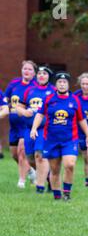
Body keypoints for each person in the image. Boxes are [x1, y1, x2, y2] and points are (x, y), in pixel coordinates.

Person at [30, 72, 88, 201]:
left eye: (64, 82)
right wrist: (34, 128)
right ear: (56, 84)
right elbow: (40, 114)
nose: (62, 84)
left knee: (70, 165)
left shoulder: (74, 100)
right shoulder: (49, 99)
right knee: (55, 170)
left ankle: (66, 194)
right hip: (51, 140)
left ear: (68, 84)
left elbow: (81, 119)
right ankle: (57, 196)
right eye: (59, 82)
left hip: (70, 140)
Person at [16, 66, 55, 193]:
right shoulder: (29, 90)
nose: (41, 76)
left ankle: (40, 186)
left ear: (49, 76)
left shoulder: (53, 91)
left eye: (44, 73)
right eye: (39, 74)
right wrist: (24, 111)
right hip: (28, 129)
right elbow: (18, 107)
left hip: (45, 129)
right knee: (30, 158)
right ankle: (49, 176)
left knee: (40, 155)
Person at [3, 60, 37, 188]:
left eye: (29, 69)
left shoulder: (36, 86)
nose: (26, 71)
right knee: (14, 155)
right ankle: (31, 171)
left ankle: (21, 181)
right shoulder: (14, 84)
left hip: (26, 125)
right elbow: (5, 99)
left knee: (22, 151)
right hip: (14, 126)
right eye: (24, 69)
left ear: (34, 73)